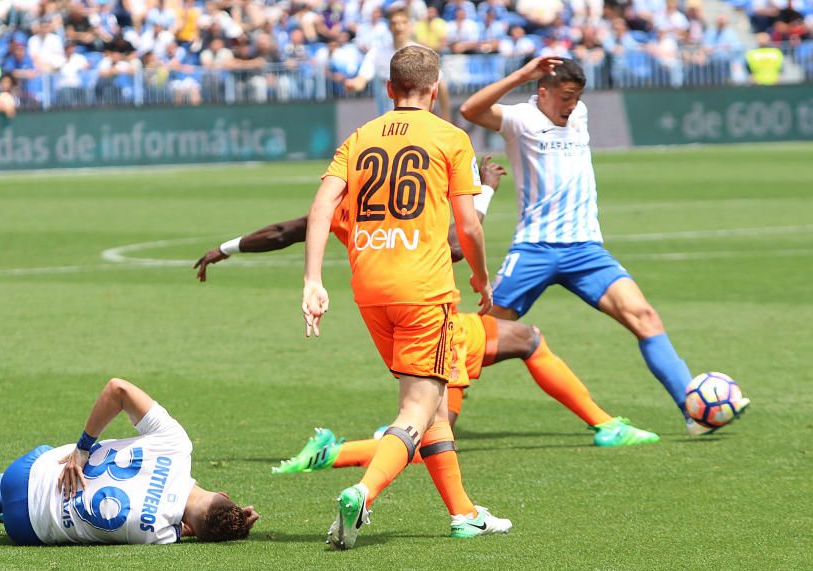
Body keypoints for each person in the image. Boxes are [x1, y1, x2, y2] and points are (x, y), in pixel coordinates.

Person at [195, 157, 658, 448]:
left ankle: (604, 425)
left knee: (505, 356)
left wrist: (227, 247)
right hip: (434, 314)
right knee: (429, 428)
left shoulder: (344, 204)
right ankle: (339, 453)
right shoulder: (415, 200)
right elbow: (458, 245)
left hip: (387, 313)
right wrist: (487, 189)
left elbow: (283, 232)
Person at [459, 57, 749, 436]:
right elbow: (470, 109)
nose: (572, 105)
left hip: (586, 250)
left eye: (577, 97)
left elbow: (571, 98)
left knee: (643, 316)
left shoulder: (579, 114)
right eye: (565, 96)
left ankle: (693, 410)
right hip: (535, 249)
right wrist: (521, 75)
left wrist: (570, 94)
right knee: (478, 337)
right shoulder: (520, 120)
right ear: (542, 92)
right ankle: (425, 419)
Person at [303, 45, 511, 550]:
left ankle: (463, 512)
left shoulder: (359, 137)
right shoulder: (450, 137)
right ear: (435, 90)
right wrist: (482, 281)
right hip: (424, 289)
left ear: (389, 89)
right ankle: (363, 493)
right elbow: (467, 226)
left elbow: (321, 205)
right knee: (417, 409)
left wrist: (313, 280)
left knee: (433, 404)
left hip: (370, 287)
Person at [0, 378, 260, 545]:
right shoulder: (158, 534)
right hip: (28, 530)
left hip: (24, 475)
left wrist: (83, 446)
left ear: (222, 491)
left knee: (49, 458)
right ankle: (1, 514)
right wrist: (229, 526)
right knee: (45, 506)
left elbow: (118, 388)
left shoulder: (178, 445)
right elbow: (190, 528)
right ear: (192, 531)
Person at [345, 7, 451, 121]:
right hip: (388, 125)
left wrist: (446, 118)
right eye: (394, 23)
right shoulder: (376, 53)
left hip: (418, 124)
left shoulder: (422, 53)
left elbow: (441, 86)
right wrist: (352, 84)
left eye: (403, 22)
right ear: (389, 27)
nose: (399, 27)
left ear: (410, 26)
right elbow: (361, 80)